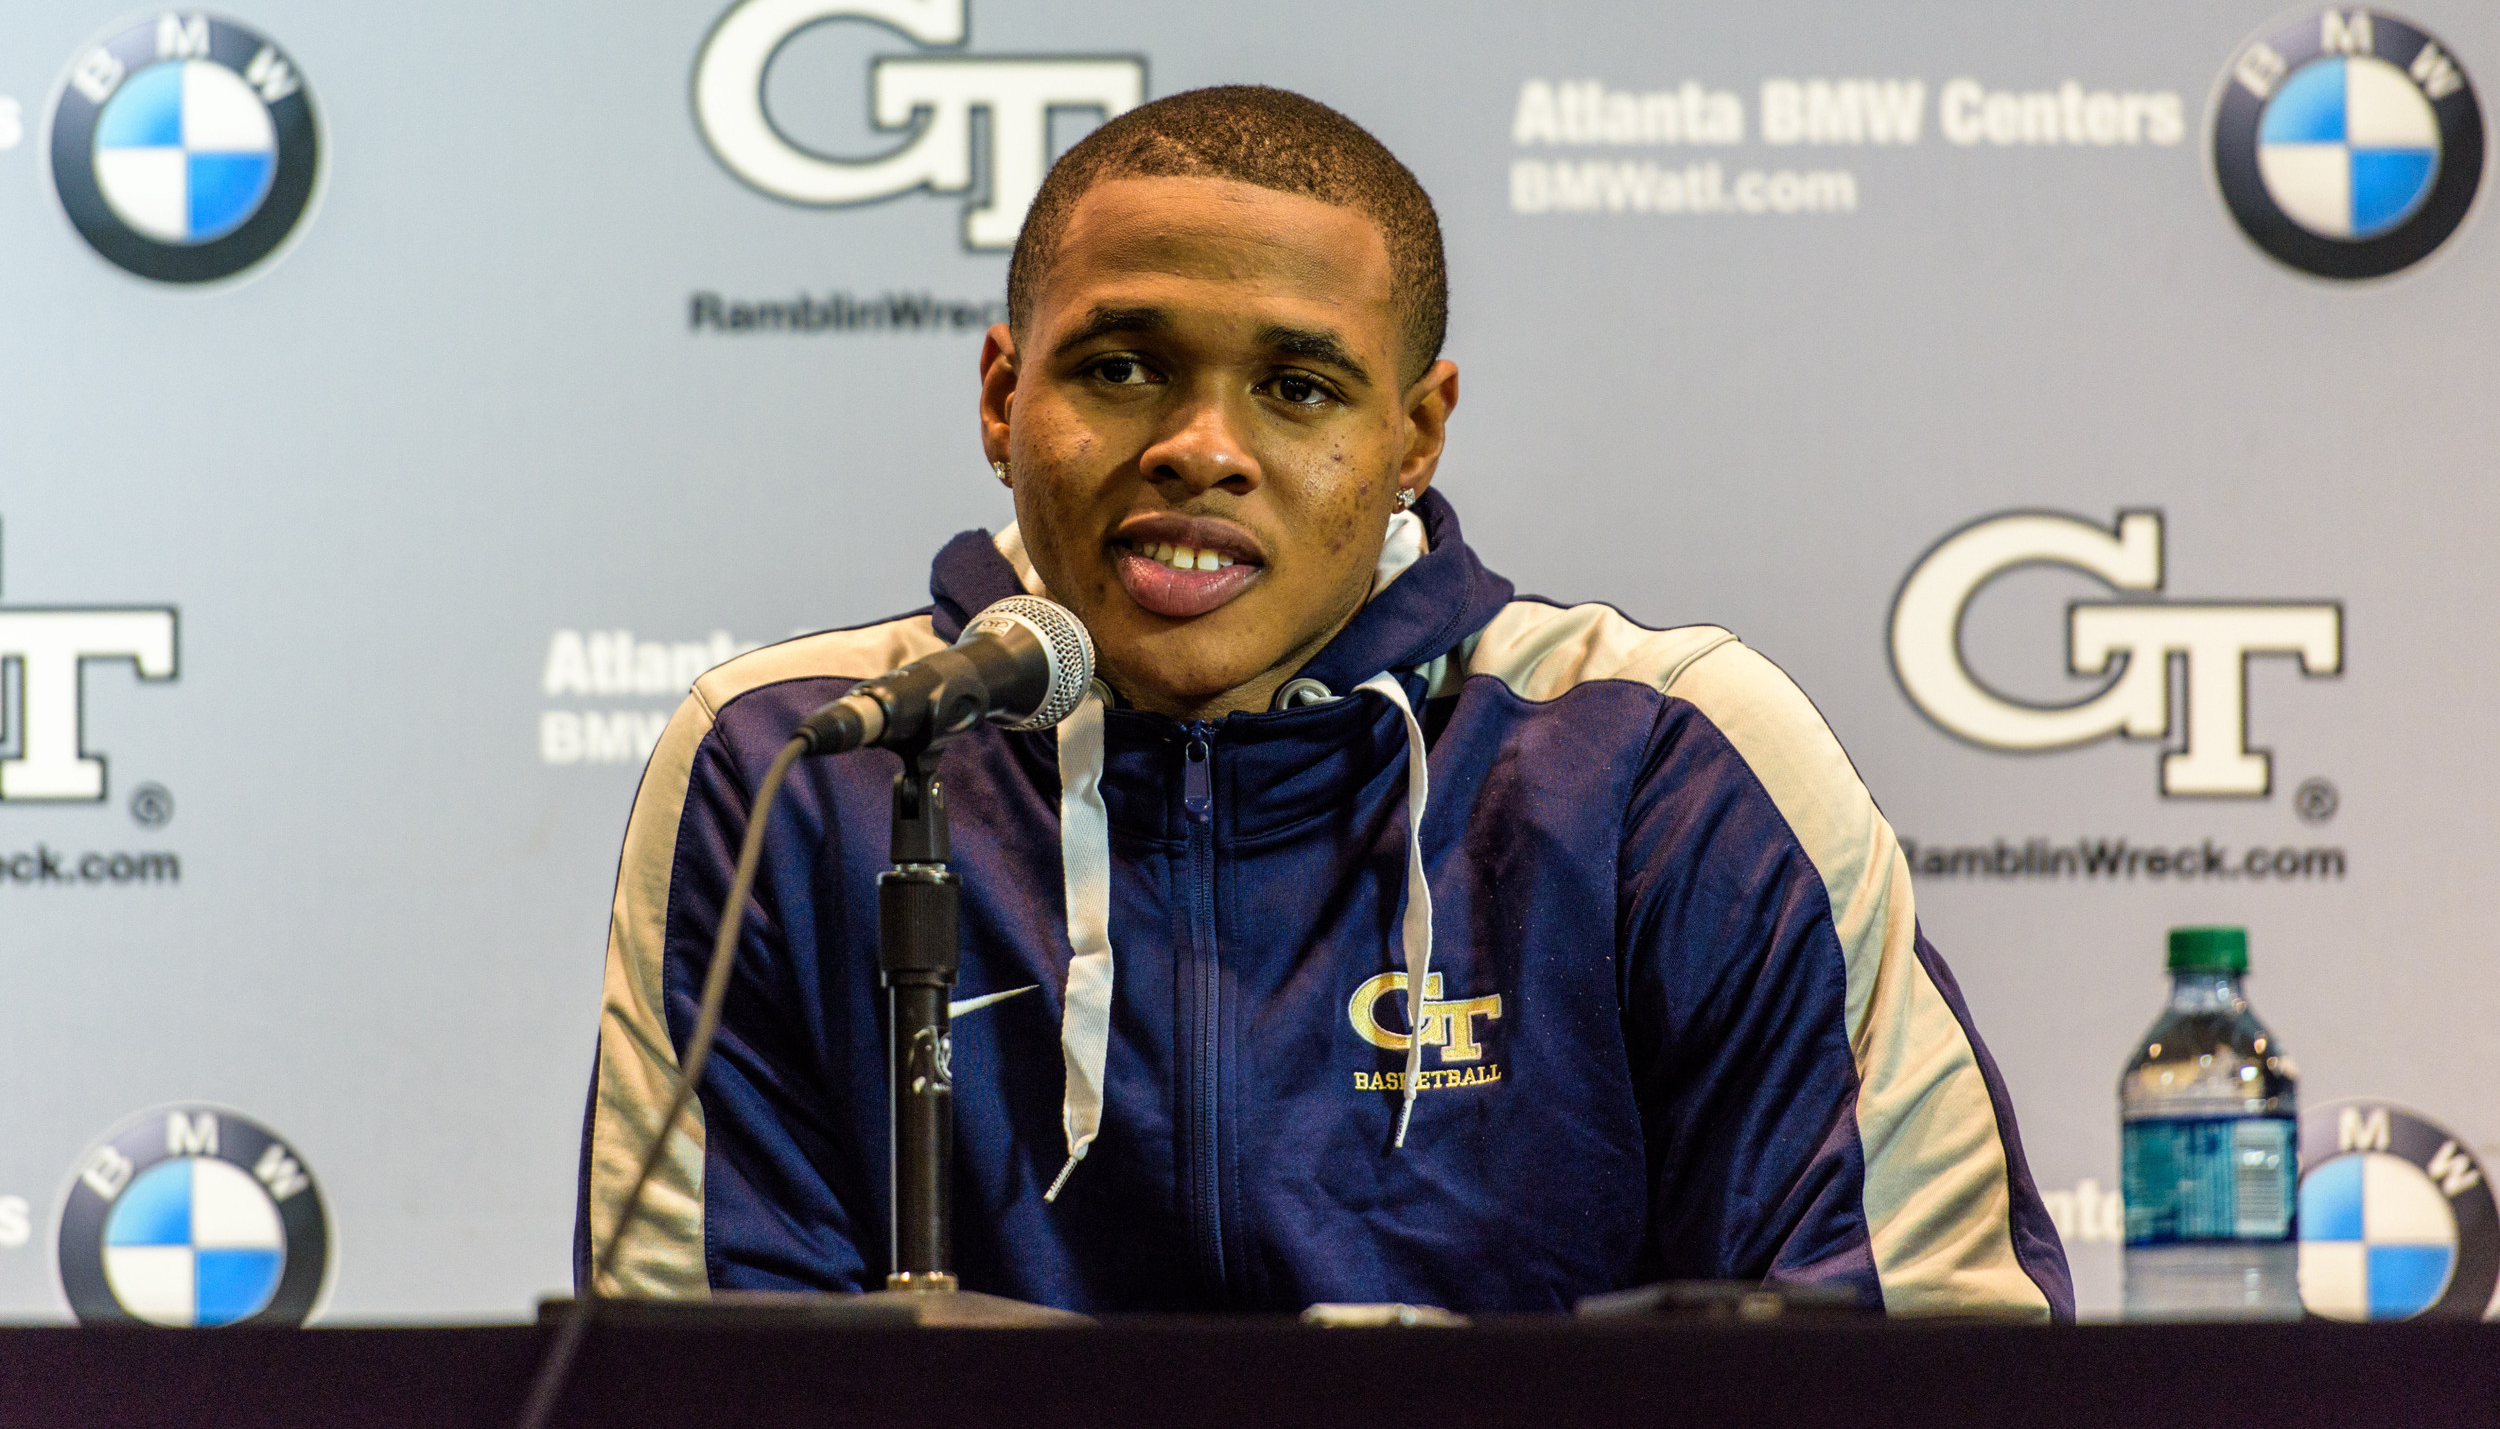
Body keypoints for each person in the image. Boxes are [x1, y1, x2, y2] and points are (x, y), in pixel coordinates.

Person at [576, 86, 2073, 1316]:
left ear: (1416, 433)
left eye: (1298, 390)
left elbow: (1924, 1348)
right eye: (1122, 367)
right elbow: (697, 1376)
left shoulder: (1659, 762)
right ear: (1000, 396)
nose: (1200, 448)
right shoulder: (804, 762)